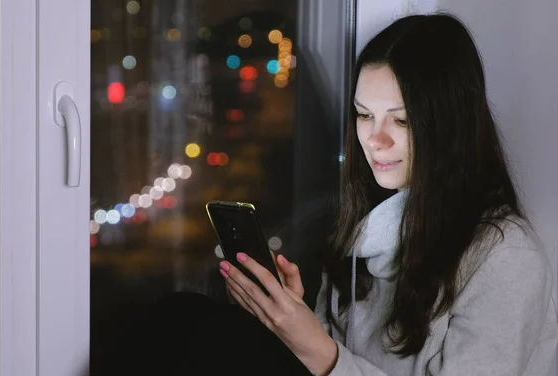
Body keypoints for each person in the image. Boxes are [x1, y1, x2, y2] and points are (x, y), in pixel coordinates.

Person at [91, 12, 557, 376]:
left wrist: (316, 347)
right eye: (363, 115)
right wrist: (291, 318)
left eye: (401, 120)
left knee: (191, 330)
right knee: (183, 318)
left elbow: (328, 362)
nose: (375, 140)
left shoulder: (506, 259)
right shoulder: (374, 228)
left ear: (450, 127)